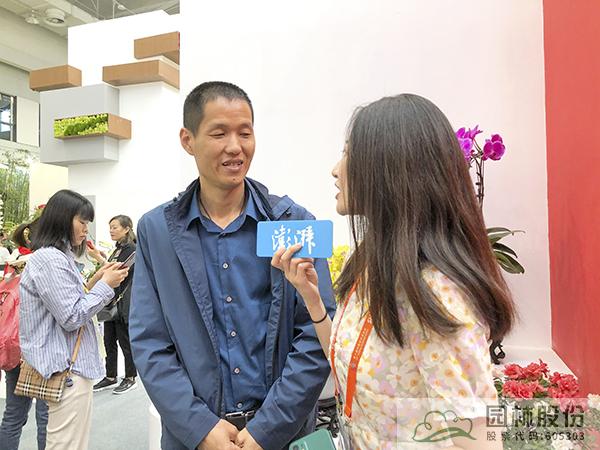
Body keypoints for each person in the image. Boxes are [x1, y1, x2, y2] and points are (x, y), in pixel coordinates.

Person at [272, 94, 517, 449]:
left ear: (389, 170)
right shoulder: (368, 264)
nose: (335, 169)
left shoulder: (437, 295)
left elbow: (479, 439)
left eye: (348, 153)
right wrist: (311, 298)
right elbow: (346, 358)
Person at [129, 81, 336, 450]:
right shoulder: (157, 231)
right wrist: (200, 427)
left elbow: (316, 334)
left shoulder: (292, 223)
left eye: (245, 133)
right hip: (197, 439)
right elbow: (150, 341)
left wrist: (267, 429)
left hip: (284, 435)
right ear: (188, 140)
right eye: (219, 133)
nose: (235, 147)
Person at [18, 190, 129, 450]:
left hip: (68, 366)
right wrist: (106, 286)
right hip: (67, 368)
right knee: (67, 444)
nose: (86, 229)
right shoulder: (51, 259)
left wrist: (97, 280)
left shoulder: (56, 256)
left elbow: (70, 302)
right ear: (63, 218)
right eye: (82, 221)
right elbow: (71, 315)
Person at [0, 220, 48, 450]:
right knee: (46, 417)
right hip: (38, 348)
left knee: (13, 414)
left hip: (13, 346)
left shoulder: (14, 264)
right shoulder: (45, 264)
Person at [93, 215, 138, 394]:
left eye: (115, 227)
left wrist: (99, 258)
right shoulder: (118, 249)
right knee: (109, 340)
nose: (111, 230)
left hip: (122, 302)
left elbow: (117, 272)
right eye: (110, 227)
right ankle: (110, 376)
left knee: (125, 341)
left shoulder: (132, 249)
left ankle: (130, 377)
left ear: (126, 229)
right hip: (111, 300)